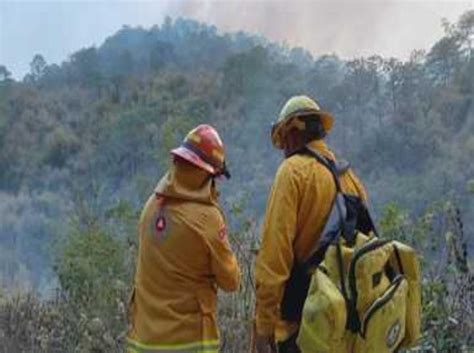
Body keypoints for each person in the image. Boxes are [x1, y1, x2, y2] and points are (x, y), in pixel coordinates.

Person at [254, 95, 368, 353]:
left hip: (302, 329)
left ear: (293, 133)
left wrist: (264, 328)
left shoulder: (291, 172)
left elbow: (274, 260)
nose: (283, 149)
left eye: (283, 140)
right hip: (345, 326)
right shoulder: (349, 177)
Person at [127, 124, 240, 353]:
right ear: (207, 174)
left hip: (143, 340)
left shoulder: (151, 207)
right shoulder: (207, 218)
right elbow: (231, 281)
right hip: (189, 342)